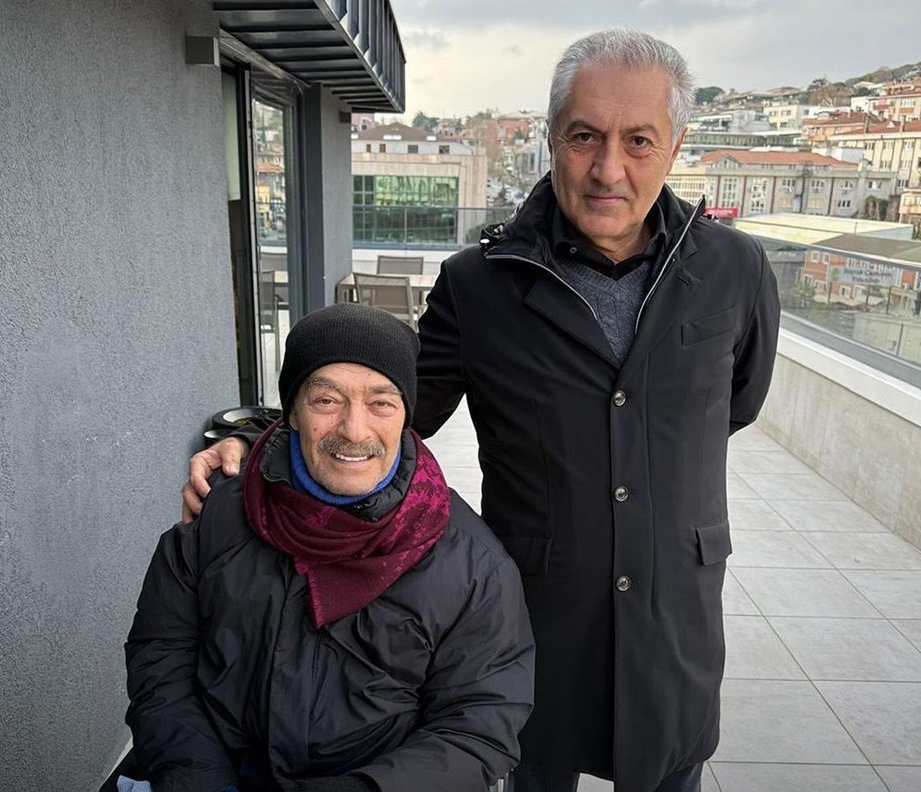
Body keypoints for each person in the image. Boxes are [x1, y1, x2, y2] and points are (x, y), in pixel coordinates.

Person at [186, 29, 780, 792]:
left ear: (676, 145)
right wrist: (252, 441)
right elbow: (398, 412)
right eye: (583, 137)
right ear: (551, 138)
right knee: (529, 764)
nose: (608, 168)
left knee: (672, 766)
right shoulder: (479, 283)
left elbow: (739, 400)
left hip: (677, 610)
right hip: (535, 612)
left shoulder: (735, 269)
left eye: (638, 141)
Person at [129, 303, 535, 792]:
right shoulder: (216, 520)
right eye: (326, 400)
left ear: (406, 414)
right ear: (292, 412)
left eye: (381, 403)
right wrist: (197, 779)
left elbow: (478, 727)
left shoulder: (472, 565)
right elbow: (163, 657)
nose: (354, 430)